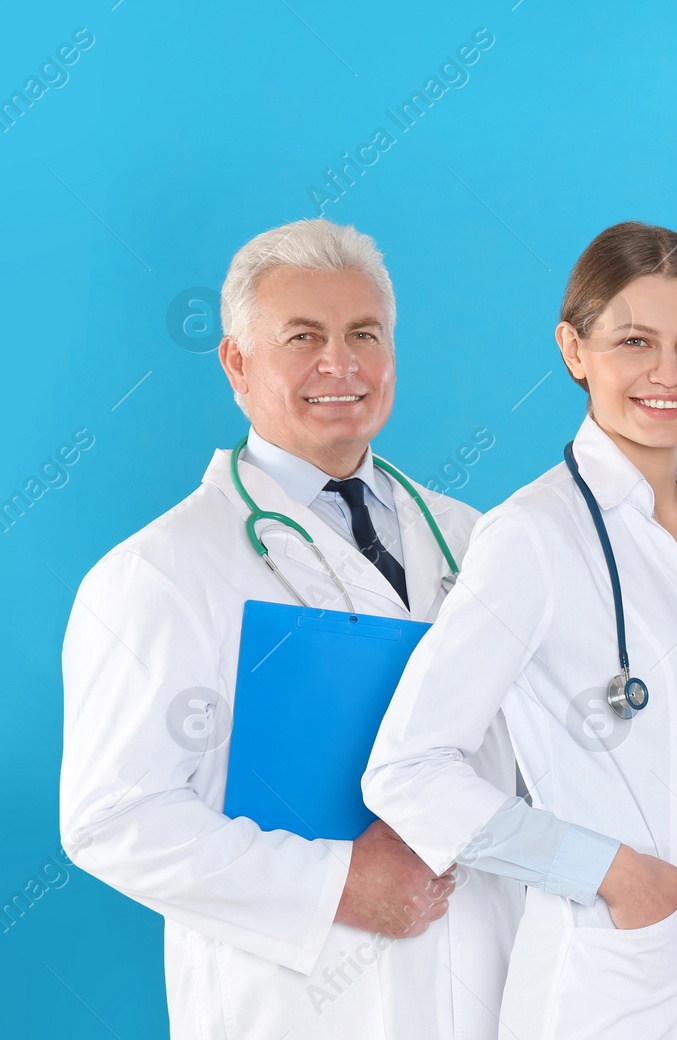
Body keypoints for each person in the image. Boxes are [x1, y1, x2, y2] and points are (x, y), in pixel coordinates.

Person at [59, 219, 523, 1039]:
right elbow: (112, 819)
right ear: (237, 364)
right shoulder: (161, 572)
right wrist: (338, 884)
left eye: (363, 335)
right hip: (299, 1004)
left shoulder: (476, 538)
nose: (339, 365)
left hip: (486, 981)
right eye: (303, 337)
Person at [363, 221, 677, 1039]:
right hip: (615, 986)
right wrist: (610, 875)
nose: (668, 375)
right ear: (574, 349)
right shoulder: (533, 535)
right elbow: (406, 771)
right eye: (635, 342)